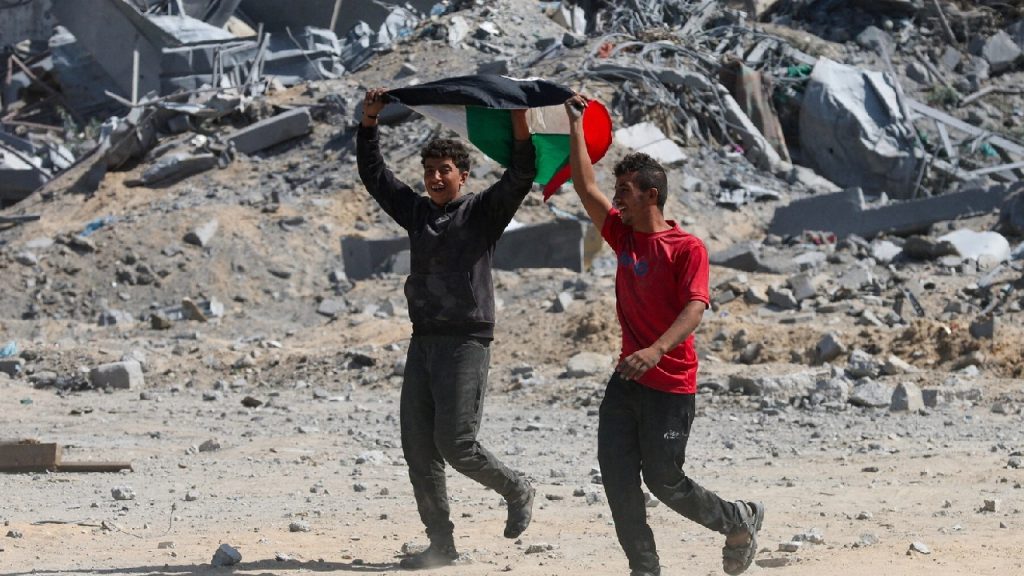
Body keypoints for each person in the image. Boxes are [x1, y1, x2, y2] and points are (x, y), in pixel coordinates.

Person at [563, 94, 765, 576]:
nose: (617, 199)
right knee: (616, 477)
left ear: (651, 194)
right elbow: (582, 183)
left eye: (626, 190)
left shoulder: (686, 248)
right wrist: (574, 124)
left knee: (664, 479)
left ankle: (737, 520)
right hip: (627, 380)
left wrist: (656, 349)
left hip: (670, 384)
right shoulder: (622, 235)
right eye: (618, 190)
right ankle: (645, 568)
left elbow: (696, 307)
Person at [356, 88, 536, 570]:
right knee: (418, 447)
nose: (435, 178)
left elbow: (522, 173)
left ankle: (515, 486)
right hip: (425, 340)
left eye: (444, 171)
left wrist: (519, 118)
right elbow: (375, 177)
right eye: (429, 171)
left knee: (456, 443)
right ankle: (441, 545)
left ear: (463, 175)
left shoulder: (482, 213)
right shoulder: (417, 213)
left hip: (466, 341)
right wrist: (370, 122)